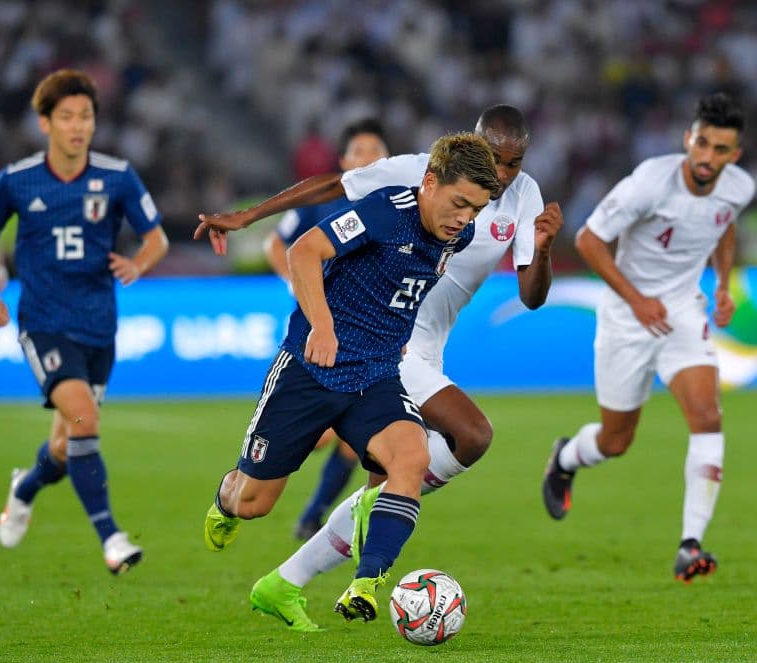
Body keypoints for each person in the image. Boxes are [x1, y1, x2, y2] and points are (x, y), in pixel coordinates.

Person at [197, 105, 563, 631]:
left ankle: (359, 579)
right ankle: (233, 502)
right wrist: (252, 220)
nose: (471, 215)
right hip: (338, 356)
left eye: (513, 165)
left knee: (405, 465)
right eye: (464, 200)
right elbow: (321, 215)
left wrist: (544, 249)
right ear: (435, 180)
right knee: (255, 502)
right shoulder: (400, 194)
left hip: (389, 362)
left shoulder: (472, 220)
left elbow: (529, 292)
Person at [542, 93, 755, 582]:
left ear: (733, 156)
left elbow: (724, 228)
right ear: (688, 139)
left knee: (707, 415)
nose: (707, 158)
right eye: (702, 143)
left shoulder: (738, 188)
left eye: (720, 150)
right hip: (626, 316)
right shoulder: (649, 183)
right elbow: (589, 240)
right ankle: (566, 456)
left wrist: (723, 284)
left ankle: (690, 544)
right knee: (617, 441)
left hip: (682, 310)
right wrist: (637, 300)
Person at [0, 69, 169, 574]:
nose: (78, 126)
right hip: (43, 323)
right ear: (45, 123)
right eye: (67, 117)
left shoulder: (118, 176)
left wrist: (138, 264)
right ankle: (112, 538)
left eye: (85, 116)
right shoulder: (17, 180)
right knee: (85, 419)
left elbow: (157, 238)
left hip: (98, 327)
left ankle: (25, 487)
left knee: (65, 446)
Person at [265, 118, 389, 541]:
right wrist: (300, 289)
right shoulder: (325, 199)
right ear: (344, 161)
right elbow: (275, 243)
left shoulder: (399, 208)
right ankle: (249, 483)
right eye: (360, 150)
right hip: (321, 331)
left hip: (369, 337)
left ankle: (312, 515)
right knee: (320, 434)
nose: (370, 157)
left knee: (355, 439)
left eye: (377, 150)